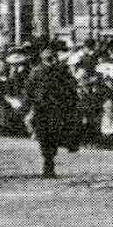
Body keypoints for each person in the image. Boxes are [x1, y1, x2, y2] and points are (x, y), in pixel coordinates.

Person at [23, 41, 80, 178]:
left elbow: (71, 87)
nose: (50, 58)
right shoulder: (37, 72)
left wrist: (69, 103)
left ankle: (49, 162)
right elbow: (29, 90)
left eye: (51, 56)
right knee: (44, 136)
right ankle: (48, 162)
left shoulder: (60, 71)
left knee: (53, 135)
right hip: (41, 108)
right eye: (47, 56)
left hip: (56, 108)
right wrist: (30, 106)